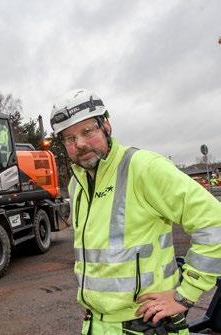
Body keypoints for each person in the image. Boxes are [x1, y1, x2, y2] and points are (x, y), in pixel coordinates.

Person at [50, 89, 221, 334]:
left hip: (145, 327)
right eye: (69, 138)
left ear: (106, 126)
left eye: (88, 131)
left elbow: (215, 223)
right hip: (96, 325)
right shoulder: (76, 184)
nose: (80, 144)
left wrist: (184, 296)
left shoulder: (143, 168)